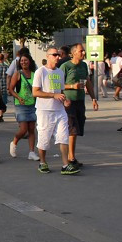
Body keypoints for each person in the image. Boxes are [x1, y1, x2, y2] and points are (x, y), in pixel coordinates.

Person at [32, 47, 75, 175]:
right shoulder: (41, 72)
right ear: (48, 56)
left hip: (59, 110)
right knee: (44, 138)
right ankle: (43, 162)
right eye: (55, 55)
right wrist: (53, 95)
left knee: (63, 137)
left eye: (59, 55)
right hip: (45, 110)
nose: (58, 57)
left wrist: (64, 100)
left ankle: (65, 165)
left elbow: (60, 92)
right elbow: (35, 92)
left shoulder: (60, 72)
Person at [59, 43, 97, 169]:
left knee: (78, 127)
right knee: (72, 129)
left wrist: (93, 98)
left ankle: (72, 156)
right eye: (81, 51)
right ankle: (71, 158)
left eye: (84, 51)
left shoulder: (84, 65)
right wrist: (71, 87)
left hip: (80, 100)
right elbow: (58, 85)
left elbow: (88, 83)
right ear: (73, 53)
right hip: (69, 101)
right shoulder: (66, 66)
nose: (83, 53)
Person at [8, 53, 38, 161]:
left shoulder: (35, 74)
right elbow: (11, 89)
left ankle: (31, 152)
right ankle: (14, 142)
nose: (23, 62)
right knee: (24, 129)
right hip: (21, 105)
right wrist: (18, 97)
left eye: (25, 60)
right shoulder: (17, 74)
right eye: (21, 61)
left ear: (30, 61)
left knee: (31, 129)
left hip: (32, 105)